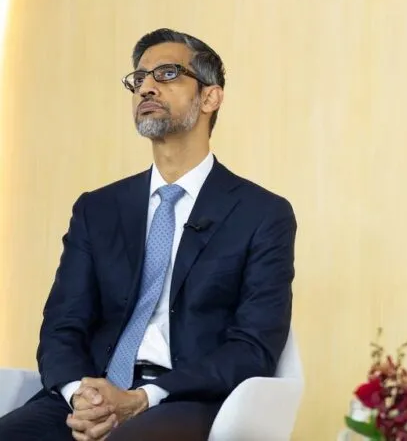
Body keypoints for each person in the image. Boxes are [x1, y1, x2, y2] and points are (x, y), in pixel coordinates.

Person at [0, 28, 297, 441]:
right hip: (92, 392)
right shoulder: (97, 209)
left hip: (184, 398)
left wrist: (144, 397)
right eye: (138, 79)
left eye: (168, 74)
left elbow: (253, 347)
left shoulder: (261, 214)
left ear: (210, 97)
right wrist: (78, 395)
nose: (147, 88)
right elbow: (62, 325)